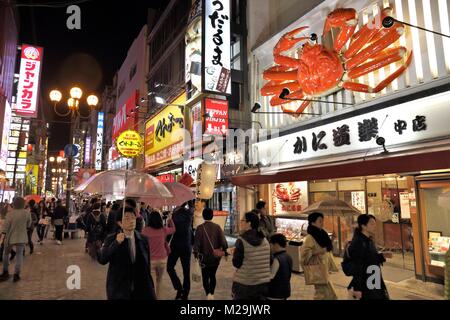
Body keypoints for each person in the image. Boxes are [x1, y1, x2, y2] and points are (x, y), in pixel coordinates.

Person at [98, 206, 156, 300]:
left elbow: (147, 265)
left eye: (133, 217)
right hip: (120, 288)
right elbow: (102, 259)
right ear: (120, 223)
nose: (132, 221)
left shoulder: (143, 239)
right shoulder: (111, 239)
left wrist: (151, 287)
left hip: (140, 288)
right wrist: (116, 243)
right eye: (127, 218)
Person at [347, 214, 392, 300]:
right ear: (363, 226)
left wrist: (382, 256)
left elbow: (370, 259)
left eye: (375, 224)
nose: (375, 226)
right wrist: (357, 288)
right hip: (366, 283)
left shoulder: (368, 240)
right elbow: (357, 266)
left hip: (374, 280)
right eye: (372, 224)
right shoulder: (358, 242)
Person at [232, 211, 271, 300]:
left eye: (242, 220)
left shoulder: (241, 240)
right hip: (262, 284)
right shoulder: (265, 240)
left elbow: (236, 263)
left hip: (245, 283)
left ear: (249, 223)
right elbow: (269, 260)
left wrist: (235, 253)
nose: (240, 222)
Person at [300, 212, 338, 300]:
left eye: (322, 221)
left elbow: (326, 248)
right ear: (313, 222)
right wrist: (318, 251)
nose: (322, 223)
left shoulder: (322, 233)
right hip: (317, 268)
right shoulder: (310, 237)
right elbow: (304, 254)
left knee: (328, 292)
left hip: (324, 266)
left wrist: (332, 239)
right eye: (320, 221)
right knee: (322, 292)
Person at [193, 208, 228, 300]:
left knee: (205, 276)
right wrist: (225, 251)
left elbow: (196, 244)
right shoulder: (217, 227)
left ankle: (208, 294)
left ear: (203, 216)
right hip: (215, 257)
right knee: (213, 275)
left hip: (203, 258)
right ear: (212, 216)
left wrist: (195, 255)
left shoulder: (199, 228)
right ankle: (212, 293)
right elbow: (223, 242)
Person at [142, 210, 176, 299]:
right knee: (159, 281)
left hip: (151, 260)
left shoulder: (145, 231)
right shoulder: (163, 230)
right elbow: (173, 230)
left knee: (151, 284)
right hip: (162, 260)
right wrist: (170, 220)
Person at [167, 200, 195, 300]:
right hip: (186, 245)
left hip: (175, 245)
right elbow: (192, 207)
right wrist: (190, 202)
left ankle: (179, 288)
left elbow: (170, 231)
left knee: (169, 267)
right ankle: (185, 293)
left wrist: (166, 242)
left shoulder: (174, 214)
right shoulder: (189, 213)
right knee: (186, 271)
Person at [0, 197, 31, 282]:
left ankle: (5, 271)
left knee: (6, 253)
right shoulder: (27, 213)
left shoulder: (10, 214)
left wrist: (3, 235)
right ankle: (16, 274)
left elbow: (6, 227)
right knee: (19, 255)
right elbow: (29, 224)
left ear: (14, 204)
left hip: (10, 237)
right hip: (21, 236)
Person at [267, 233, 293, 300]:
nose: (270, 247)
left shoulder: (277, 259)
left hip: (275, 294)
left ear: (276, 245)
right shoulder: (288, 256)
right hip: (285, 292)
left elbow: (271, 276)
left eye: (271, 245)